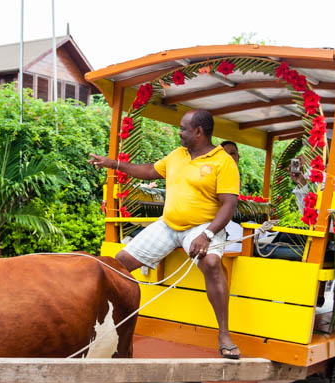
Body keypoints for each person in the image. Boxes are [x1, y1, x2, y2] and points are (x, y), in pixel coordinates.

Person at [89, 109, 242, 358]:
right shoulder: (177, 155)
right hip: (168, 225)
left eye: (183, 128)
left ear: (198, 131)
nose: (178, 132)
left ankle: (224, 334)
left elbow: (229, 205)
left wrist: (208, 235)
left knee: (212, 262)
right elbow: (150, 171)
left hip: (203, 227)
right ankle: (105, 325)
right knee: (118, 264)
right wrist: (113, 164)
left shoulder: (223, 161)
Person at [219, 141, 244, 255]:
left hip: (230, 225)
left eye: (232, 153)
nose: (229, 157)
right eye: (225, 153)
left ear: (238, 157)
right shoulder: (212, 174)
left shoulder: (236, 177)